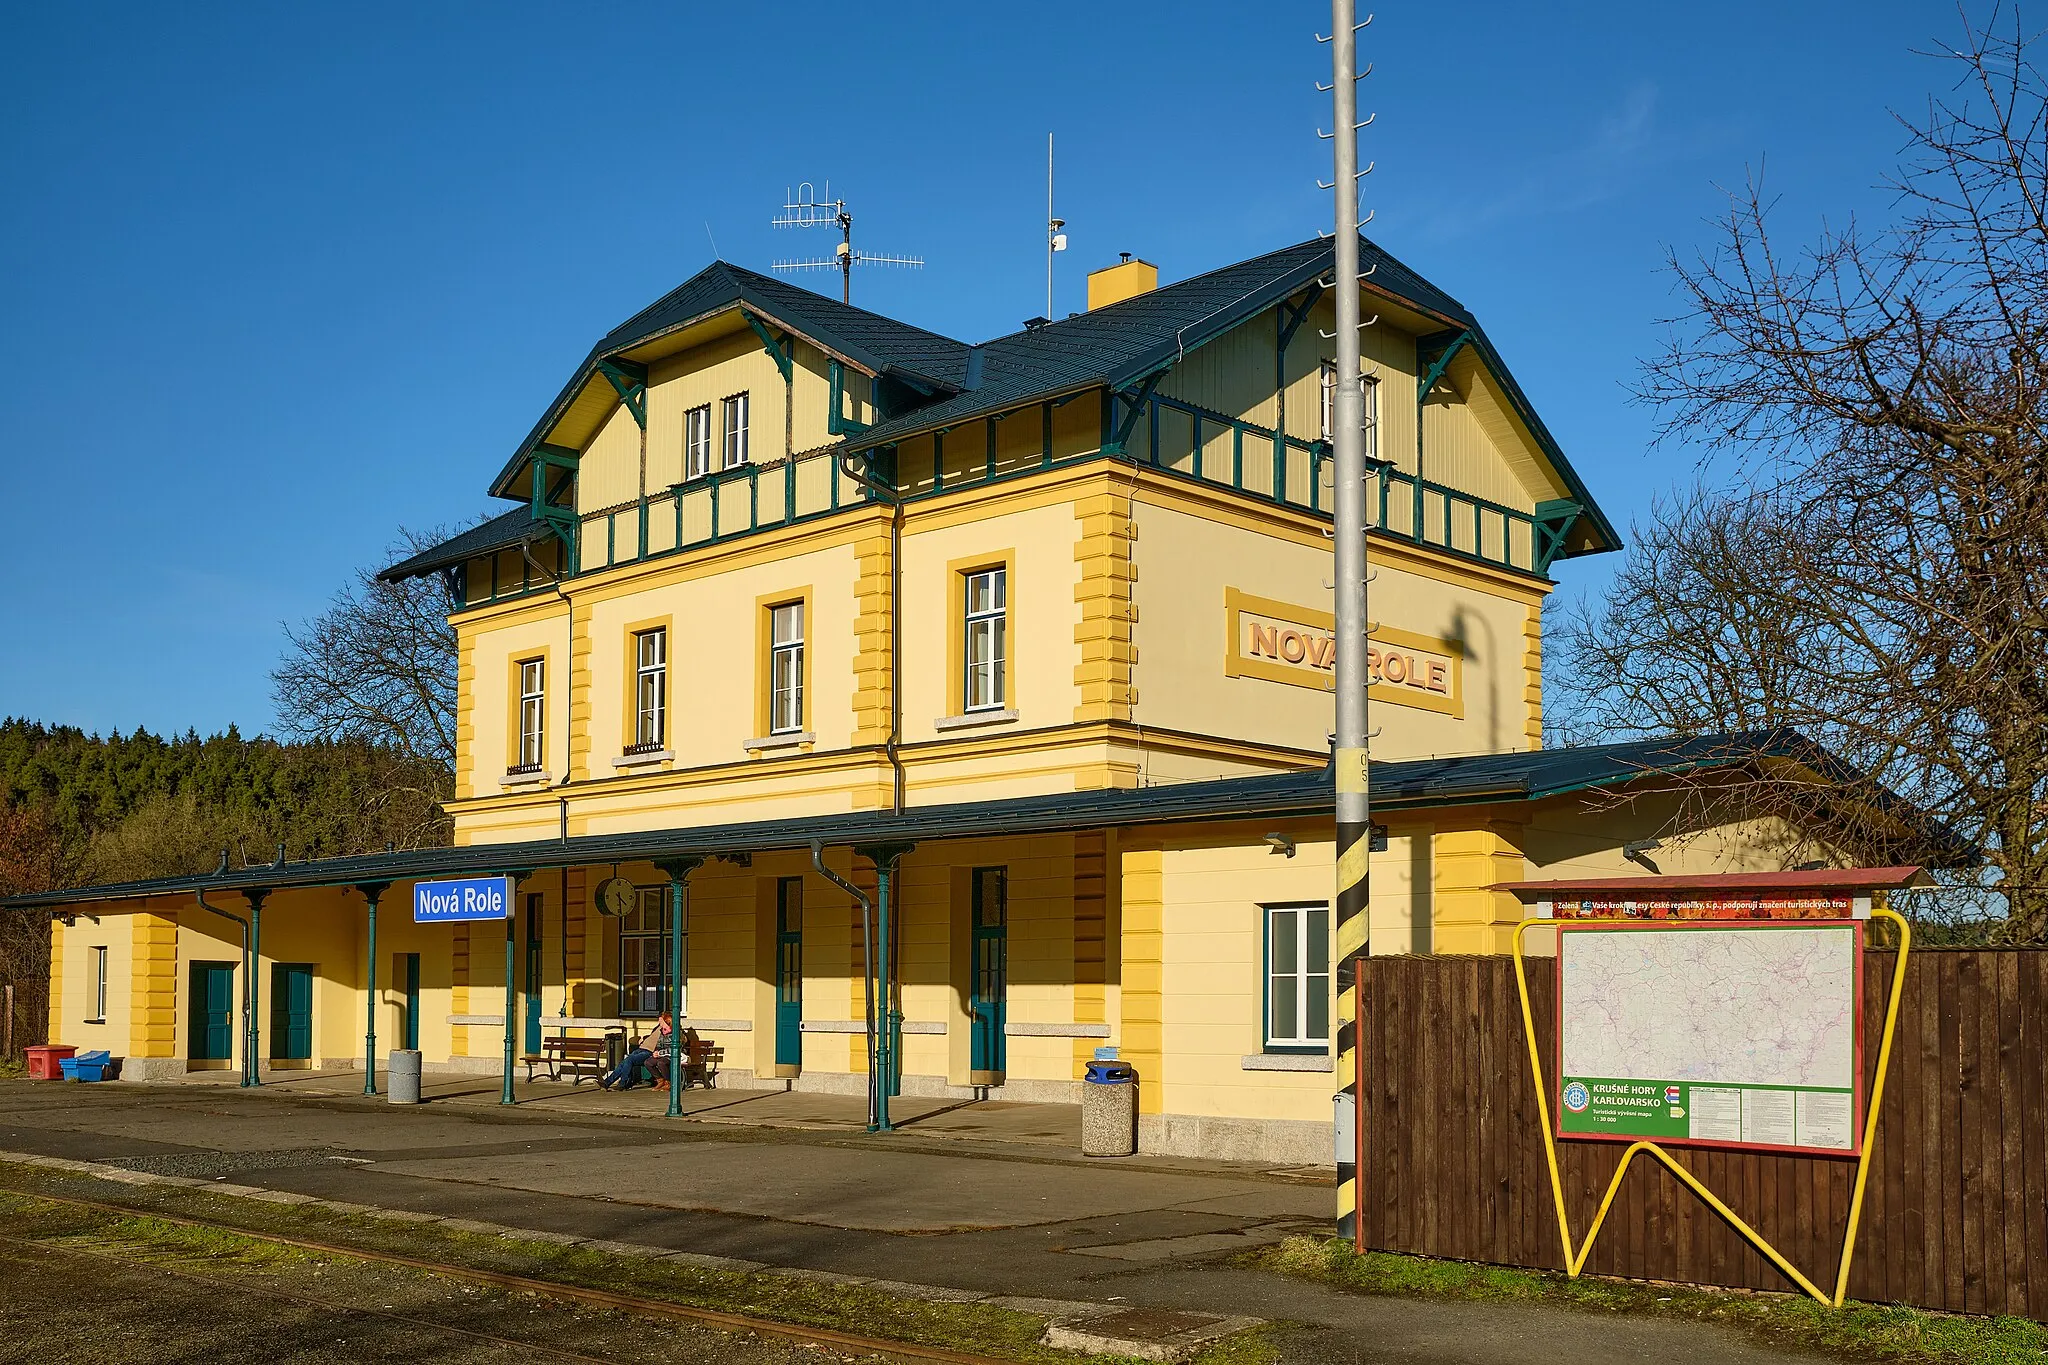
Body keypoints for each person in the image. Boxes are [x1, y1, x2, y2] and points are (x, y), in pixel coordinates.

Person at [600, 1012, 672, 1091]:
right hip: (641, 1048)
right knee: (624, 1062)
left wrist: (658, 1052)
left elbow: (663, 1043)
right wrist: (644, 1040)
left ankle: (622, 1083)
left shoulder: (666, 1029)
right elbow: (652, 1038)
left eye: (661, 1019)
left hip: (649, 1051)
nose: (659, 1020)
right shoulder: (658, 1028)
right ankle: (607, 1083)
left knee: (630, 1060)